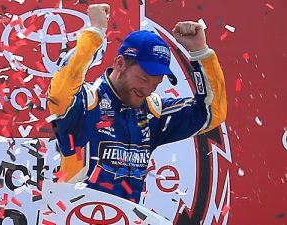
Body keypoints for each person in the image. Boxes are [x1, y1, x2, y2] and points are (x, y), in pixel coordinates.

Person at [47, 3, 226, 203]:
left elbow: (211, 114)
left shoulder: (152, 112)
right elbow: (59, 94)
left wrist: (200, 53)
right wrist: (95, 33)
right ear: (120, 64)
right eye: (143, 79)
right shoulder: (85, 103)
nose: (148, 90)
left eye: (156, 83)